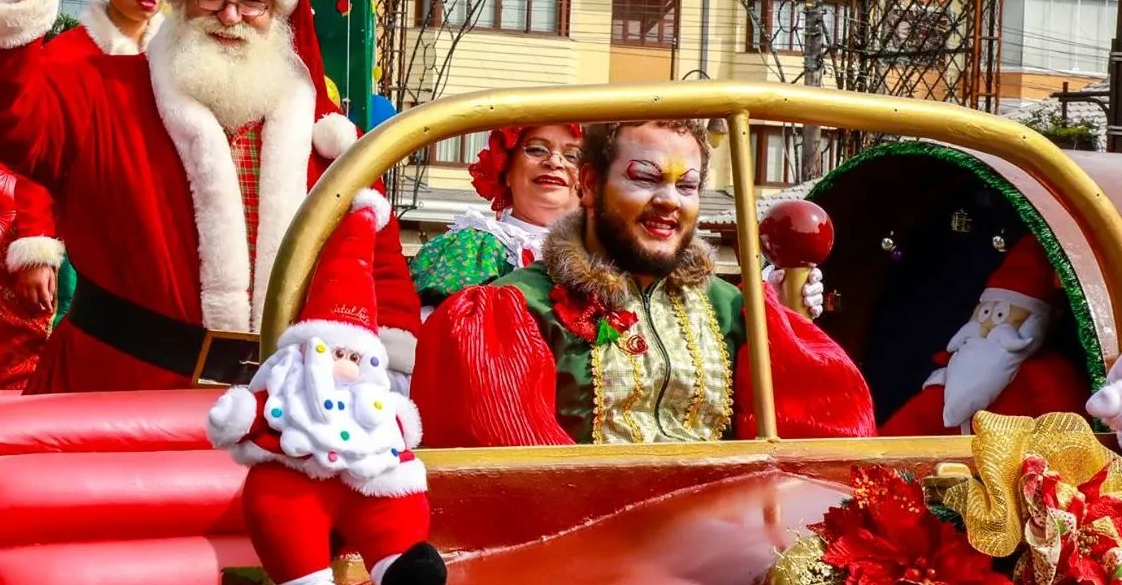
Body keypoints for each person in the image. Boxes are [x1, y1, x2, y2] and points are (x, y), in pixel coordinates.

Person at [0, 0, 419, 394]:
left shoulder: (329, 137)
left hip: (283, 411)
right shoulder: (102, 91)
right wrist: (2, 5)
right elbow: (0, 112)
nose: (230, 15)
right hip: (114, 395)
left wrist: (385, 374)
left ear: (278, 14)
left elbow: (377, 265)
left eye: (252, 0)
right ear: (184, 0)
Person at [409, 119, 875, 446]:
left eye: (687, 186)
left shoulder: (733, 308)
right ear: (589, 185)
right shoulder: (511, 308)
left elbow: (812, 450)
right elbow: (514, 484)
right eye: (645, 178)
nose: (669, 201)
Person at [207, 190, 442, 585]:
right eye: (337, 354)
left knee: (398, 498)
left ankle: (396, 565)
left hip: (365, 478)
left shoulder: (374, 396)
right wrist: (237, 414)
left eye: (356, 357)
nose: (347, 366)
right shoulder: (285, 391)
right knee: (276, 500)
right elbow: (244, 415)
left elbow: (405, 428)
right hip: (296, 482)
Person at [0, 0, 176, 388]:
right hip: (67, 228)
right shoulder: (64, 58)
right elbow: (37, 163)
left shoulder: (176, 62)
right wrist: (39, 249)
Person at [881, 234, 1090, 435]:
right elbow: (906, 428)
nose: (988, 328)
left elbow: (1070, 434)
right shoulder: (952, 379)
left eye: (1001, 316)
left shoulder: (1045, 376)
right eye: (985, 314)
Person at [410, 124, 583, 310]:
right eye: (537, 150)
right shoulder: (474, 248)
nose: (555, 162)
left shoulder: (605, 255)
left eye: (572, 156)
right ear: (506, 170)